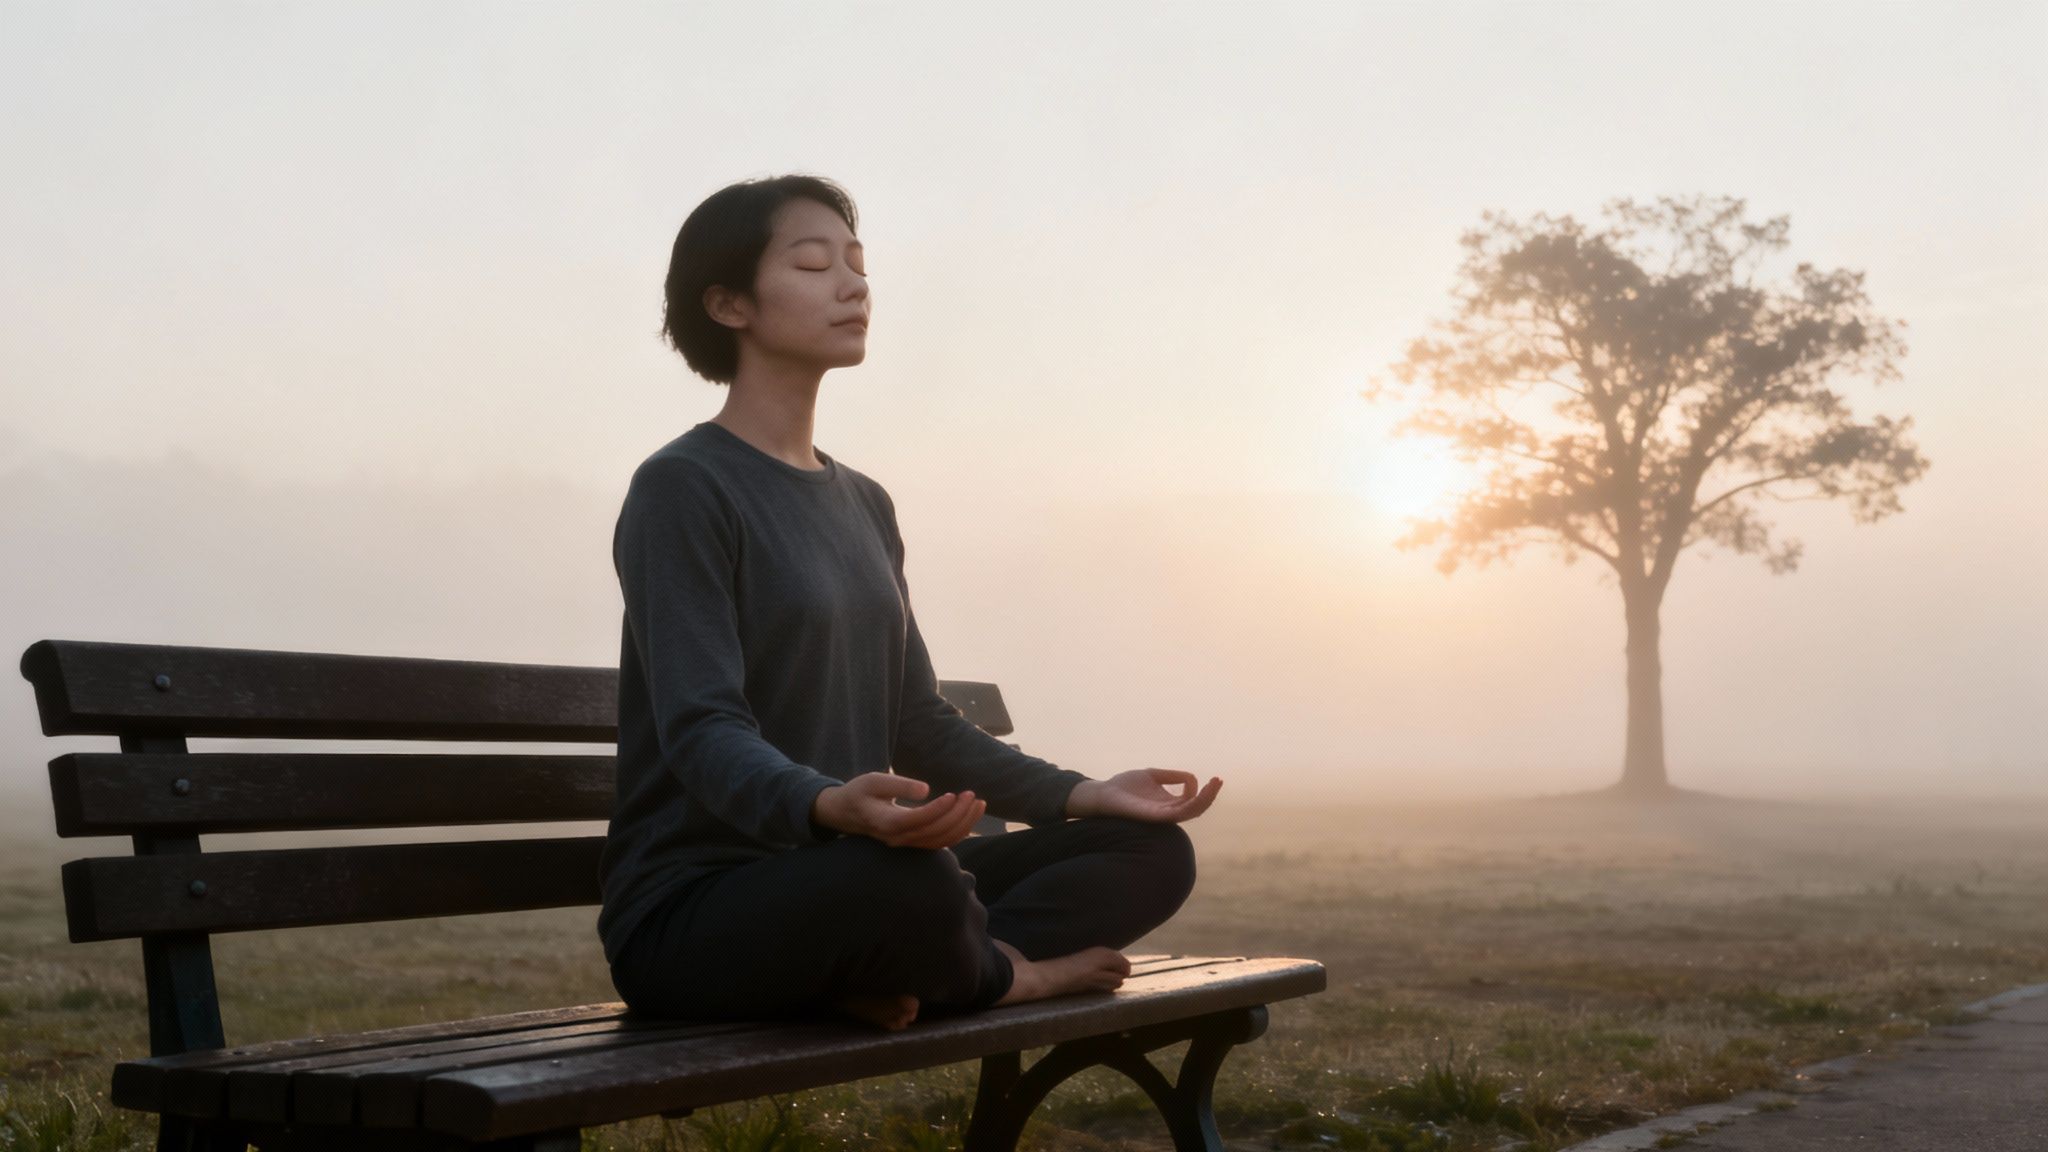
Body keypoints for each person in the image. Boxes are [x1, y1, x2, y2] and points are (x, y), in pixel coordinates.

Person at [598, 173, 1223, 1031]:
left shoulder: (864, 502)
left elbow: (917, 722)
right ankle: (1007, 975)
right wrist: (826, 804)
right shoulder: (683, 488)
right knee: (907, 881)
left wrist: (1083, 795)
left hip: (865, 881)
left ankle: (920, 969)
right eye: (814, 265)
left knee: (1149, 849)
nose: (853, 285)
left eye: (857, 264)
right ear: (729, 303)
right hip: (700, 912)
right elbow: (702, 729)